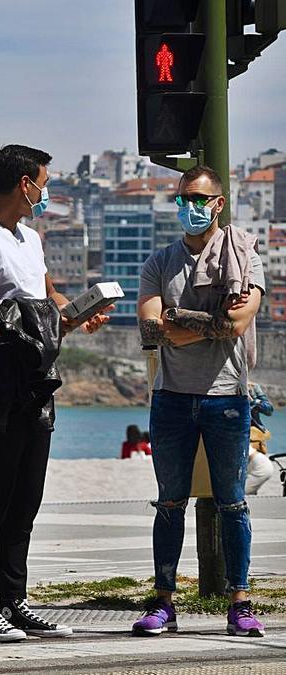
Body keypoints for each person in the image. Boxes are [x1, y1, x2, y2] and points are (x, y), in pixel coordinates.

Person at [0, 145, 110, 642]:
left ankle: (13, 600)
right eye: (44, 181)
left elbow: (47, 296)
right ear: (25, 183)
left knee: (26, 497)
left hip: (36, 378)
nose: (47, 191)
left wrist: (76, 311)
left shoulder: (30, 239)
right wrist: (30, 325)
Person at [134, 165, 266, 638]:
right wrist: (206, 321)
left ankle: (241, 601)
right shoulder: (159, 262)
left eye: (199, 199)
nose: (190, 207)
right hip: (170, 398)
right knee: (169, 503)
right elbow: (151, 330)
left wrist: (179, 323)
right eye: (183, 197)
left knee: (232, 503)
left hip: (227, 397)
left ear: (218, 203)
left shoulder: (245, 256)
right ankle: (164, 601)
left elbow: (235, 324)